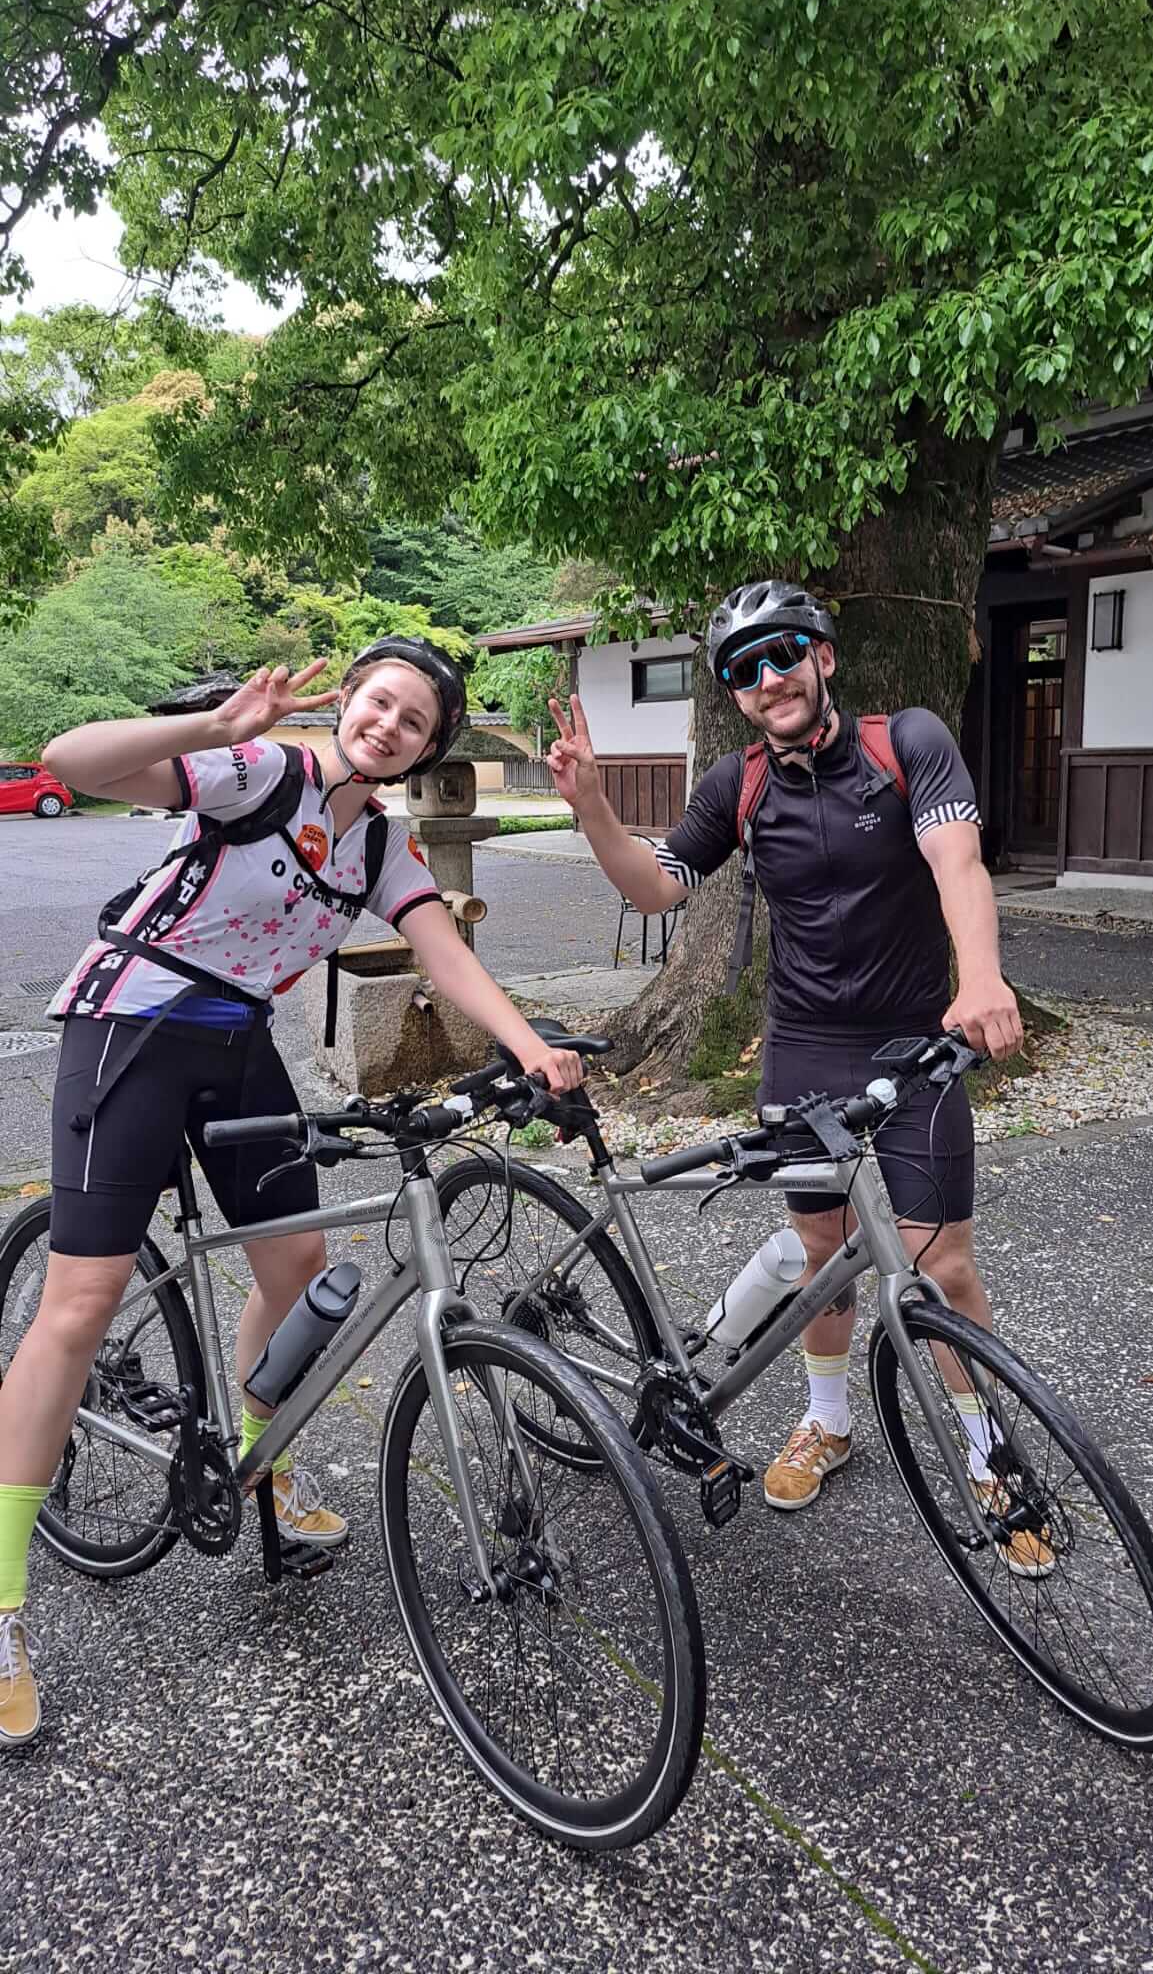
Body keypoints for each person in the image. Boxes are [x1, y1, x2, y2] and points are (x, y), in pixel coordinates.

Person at [0, 638, 582, 1747]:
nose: (391, 724)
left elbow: (441, 956)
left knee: (297, 1265)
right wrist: (212, 728)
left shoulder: (378, 843)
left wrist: (528, 1047)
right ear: (349, 704)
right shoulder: (263, 771)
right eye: (380, 701)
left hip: (235, 1041)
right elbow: (68, 759)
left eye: (416, 720)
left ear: (426, 748)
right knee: (80, 1302)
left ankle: (265, 1469)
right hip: (130, 1024)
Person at [547, 581, 1042, 1544]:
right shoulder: (739, 784)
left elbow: (957, 864)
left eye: (784, 654)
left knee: (940, 1258)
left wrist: (980, 978)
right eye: (743, 668)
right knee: (823, 1254)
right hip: (806, 1044)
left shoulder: (906, 743)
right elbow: (654, 888)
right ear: (733, 694)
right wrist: (596, 812)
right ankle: (827, 1420)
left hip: (917, 1038)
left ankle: (989, 1458)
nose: (768, 677)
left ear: (823, 656)